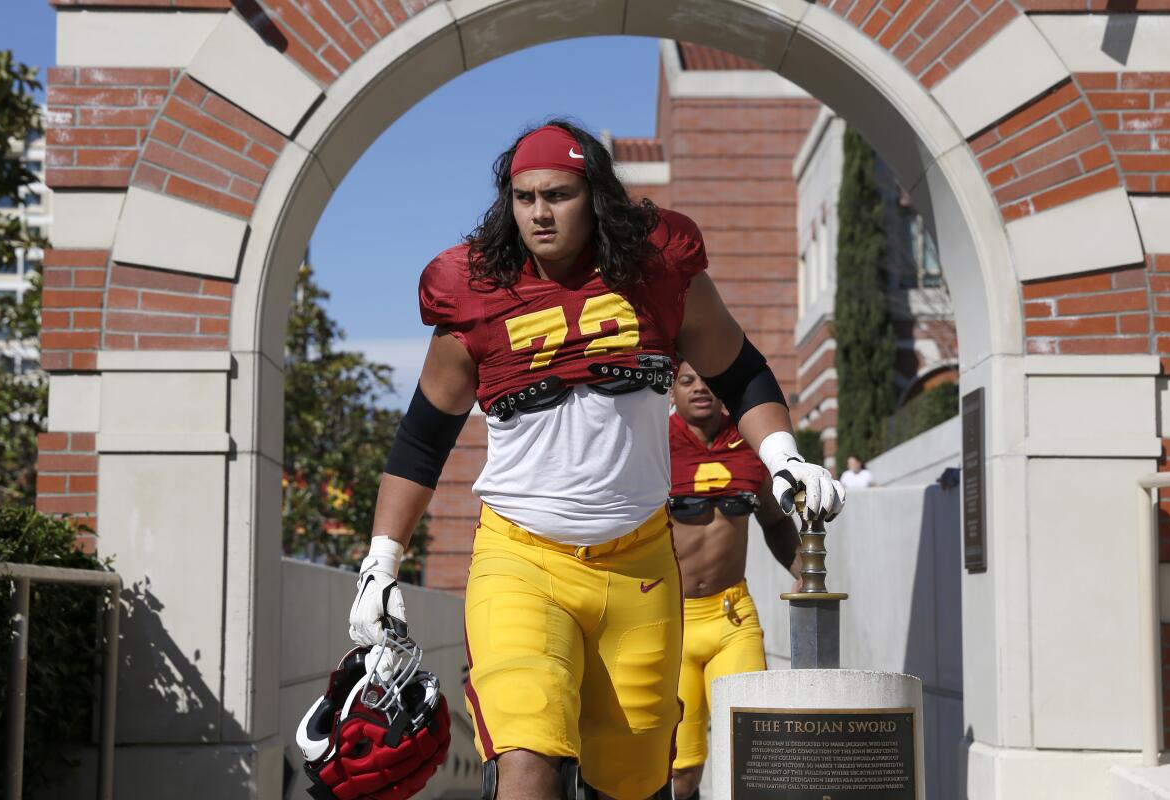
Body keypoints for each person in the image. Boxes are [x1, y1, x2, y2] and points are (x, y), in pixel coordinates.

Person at [345, 120, 845, 800]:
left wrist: (784, 456)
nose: (540, 214)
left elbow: (741, 371)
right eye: (524, 198)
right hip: (522, 559)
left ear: (595, 195)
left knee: (635, 785)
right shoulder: (477, 292)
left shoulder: (661, 273)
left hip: (637, 564)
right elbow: (423, 439)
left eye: (557, 194)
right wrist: (381, 562)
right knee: (526, 759)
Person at [667, 362, 803, 800]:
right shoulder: (653, 443)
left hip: (732, 617)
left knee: (750, 752)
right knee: (680, 771)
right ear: (672, 388)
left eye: (707, 380)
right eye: (687, 380)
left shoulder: (749, 445)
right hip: (670, 621)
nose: (699, 388)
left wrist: (805, 574)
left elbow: (776, 524)